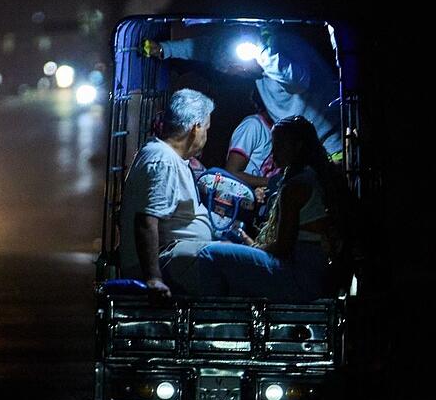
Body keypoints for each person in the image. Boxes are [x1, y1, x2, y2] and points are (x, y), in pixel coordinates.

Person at [145, 28, 341, 190]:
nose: (234, 75)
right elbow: (205, 49)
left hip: (329, 142)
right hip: (298, 150)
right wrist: (164, 49)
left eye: (233, 69)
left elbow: (298, 81)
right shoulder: (251, 66)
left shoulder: (279, 50)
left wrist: (262, 54)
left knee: (329, 194)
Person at [195, 116, 347, 302]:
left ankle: (214, 321)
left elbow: (283, 248)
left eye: (280, 146)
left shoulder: (296, 186)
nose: (274, 153)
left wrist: (255, 247)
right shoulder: (316, 177)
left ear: (298, 146)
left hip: (299, 277)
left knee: (209, 254)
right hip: (314, 274)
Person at [118, 88, 216, 298]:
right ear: (195, 128)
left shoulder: (170, 157)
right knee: (245, 263)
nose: (206, 136)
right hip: (169, 264)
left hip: (180, 258)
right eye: (206, 129)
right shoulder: (164, 161)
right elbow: (146, 222)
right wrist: (154, 279)